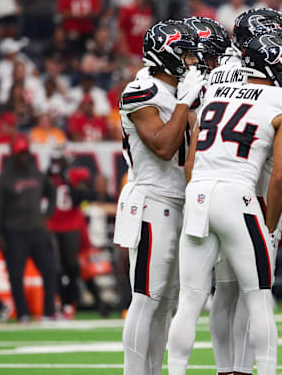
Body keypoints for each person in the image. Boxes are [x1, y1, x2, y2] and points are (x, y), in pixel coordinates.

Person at [167, 28, 282, 375]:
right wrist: (270, 225)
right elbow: (280, 174)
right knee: (258, 297)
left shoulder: (214, 90)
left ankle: (177, 371)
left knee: (189, 301)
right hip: (237, 196)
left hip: (198, 192)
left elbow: (189, 163)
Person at [202, 9, 282, 375]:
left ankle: (228, 368)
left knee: (223, 291)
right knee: (254, 290)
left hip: (211, 185)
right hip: (249, 189)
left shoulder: (215, 72)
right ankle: (242, 368)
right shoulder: (268, 81)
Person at [113, 20, 204, 375]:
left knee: (166, 303)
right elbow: (165, 147)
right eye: (186, 52)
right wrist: (184, 104)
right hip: (152, 201)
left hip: (177, 202)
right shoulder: (141, 90)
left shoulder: (176, 89)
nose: (193, 60)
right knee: (147, 298)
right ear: (167, 54)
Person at [0, 135, 57, 322]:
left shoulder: (36, 173)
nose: (24, 157)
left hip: (37, 230)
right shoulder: (4, 179)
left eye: (26, 153)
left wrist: (47, 215)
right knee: (16, 274)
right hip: (13, 232)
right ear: (13, 155)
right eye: (20, 153)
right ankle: (23, 314)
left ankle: (49, 312)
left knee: (50, 270)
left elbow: (51, 192)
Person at [47, 149, 89, 319]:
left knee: (71, 266)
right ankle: (58, 303)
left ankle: (70, 303)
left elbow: (82, 195)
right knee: (55, 268)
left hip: (71, 226)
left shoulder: (74, 175)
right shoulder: (48, 176)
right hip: (53, 225)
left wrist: (68, 180)